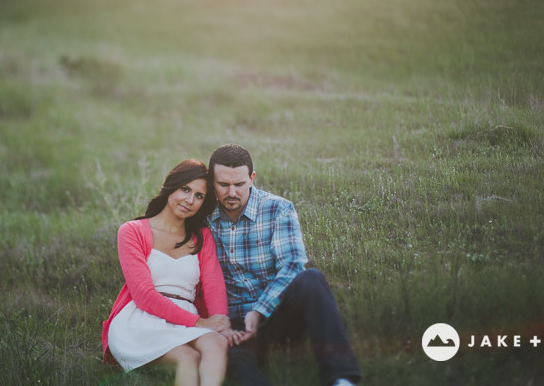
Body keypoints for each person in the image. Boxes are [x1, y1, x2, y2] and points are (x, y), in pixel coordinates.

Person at [206, 144, 361, 386]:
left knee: (311, 278)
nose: (232, 192)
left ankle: (341, 378)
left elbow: (292, 264)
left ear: (252, 178)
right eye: (223, 185)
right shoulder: (204, 219)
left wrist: (260, 310)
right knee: (237, 364)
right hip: (236, 326)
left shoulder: (278, 208)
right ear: (212, 182)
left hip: (277, 313)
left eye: (239, 184)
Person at [102, 159, 231, 386]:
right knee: (188, 358)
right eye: (185, 189)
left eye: (199, 196)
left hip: (185, 317)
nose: (190, 200)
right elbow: (144, 296)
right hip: (141, 319)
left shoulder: (201, 237)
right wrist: (200, 322)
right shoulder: (133, 231)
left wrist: (220, 323)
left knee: (217, 344)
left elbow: (214, 286)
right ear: (171, 185)